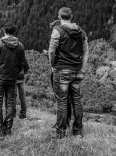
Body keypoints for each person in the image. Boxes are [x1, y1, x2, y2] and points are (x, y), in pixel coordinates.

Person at [48, 7, 89, 139]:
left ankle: (61, 132)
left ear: (59, 16)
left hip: (62, 70)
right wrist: (83, 69)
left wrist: (52, 65)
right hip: (77, 71)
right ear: (71, 16)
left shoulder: (57, 31)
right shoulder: (82, 33)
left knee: (62, 101)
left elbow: (51, 51)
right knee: (76, 101)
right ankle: (77, 131)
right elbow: (86, 52)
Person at [0, 22, 29, 138]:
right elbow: (24, 64)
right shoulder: (20, 45)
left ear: (4, 31)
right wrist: (16, 73)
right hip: (12, 79)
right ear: (14, 32)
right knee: (10, 103)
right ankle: (8, 128)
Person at [46, 20, 73, 128]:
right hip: (70, 70)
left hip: (59, 70)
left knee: (61, 99)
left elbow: (53, 53)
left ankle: (61, 124)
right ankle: (66, 121)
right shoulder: (69, 38)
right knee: (67, 98)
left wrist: (52, 64)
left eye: (53, 29)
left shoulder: (58, 37)